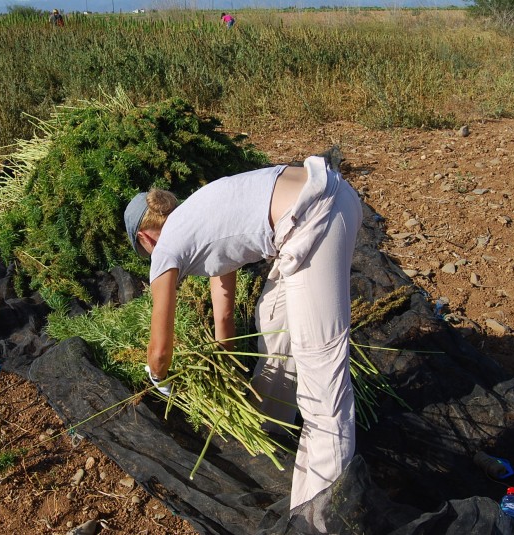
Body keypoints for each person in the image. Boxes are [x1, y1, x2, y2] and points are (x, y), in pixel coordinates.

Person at [124, 153, 363, 511]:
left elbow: (159, 350)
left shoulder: (167, 246)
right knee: (272, 317)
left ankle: (324, 513)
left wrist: (160, 378)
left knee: (324, 389)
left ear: (145, 238)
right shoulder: (200, 217)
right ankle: (271, 421)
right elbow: (225, 323)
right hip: (324, 194)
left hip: (316, 214)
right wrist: (226, 372)